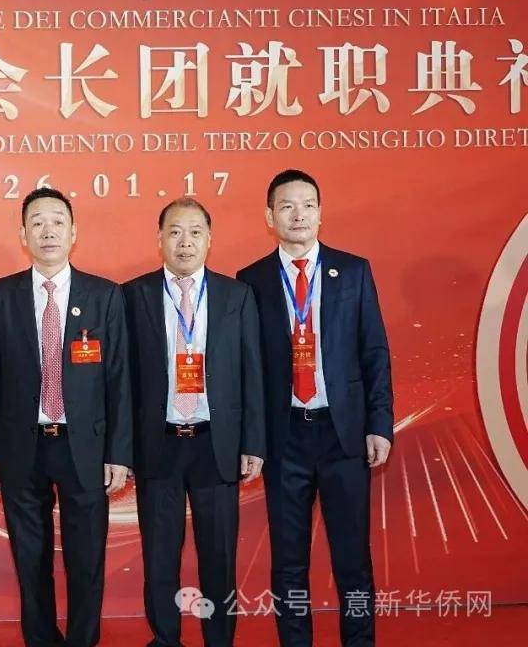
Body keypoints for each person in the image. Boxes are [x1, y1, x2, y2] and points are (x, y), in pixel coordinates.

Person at [237, 170, 393, 647]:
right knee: (288, 561)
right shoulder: (251, 281)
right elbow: (248, 371)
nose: (298, 215)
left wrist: (379, 424)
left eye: (307, 205)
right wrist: (251, 440)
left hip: (344, 435)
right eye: (287, 206)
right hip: (285, 437)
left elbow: (374, 352)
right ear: (270, 217)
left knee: (353, 559)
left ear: (321, 213)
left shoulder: (353, 271)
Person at [0, 187, 133, 647]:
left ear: (74, 232)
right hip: (21, 445)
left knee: (86, 558)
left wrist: (118, 452)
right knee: (31, 558)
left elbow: (120, 379)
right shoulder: (1, 295)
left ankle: (83, 639)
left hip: (84, 445)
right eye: (38, 223)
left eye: (58, 222)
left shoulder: (103, 295)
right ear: (23, 234)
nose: (48, 231)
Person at [123, 198, 265, 647]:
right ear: (159, 239)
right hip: (158, 444)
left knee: (219, 558)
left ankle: (219, 639)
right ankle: (165, 638)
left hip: (215, 444)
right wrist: (122, 452)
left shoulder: (236, 295)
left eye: (195, 232)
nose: (185, 242)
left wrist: (253, 442)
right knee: (159, 557)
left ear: (209, 239)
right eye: (175, 232)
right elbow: (121, 382)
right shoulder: (132, 295)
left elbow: (252, 372)